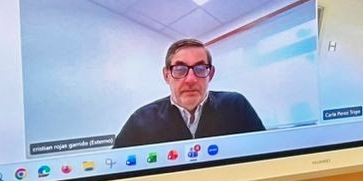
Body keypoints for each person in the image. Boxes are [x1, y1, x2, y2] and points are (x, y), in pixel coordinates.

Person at [113, 38, 265, 147]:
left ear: (211, 74)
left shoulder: (236, 106)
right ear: (166, 75)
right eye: (180, 69)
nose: (191, 80)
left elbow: (265, 155)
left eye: (200, 69)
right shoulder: (140, 120)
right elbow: (115, 170)